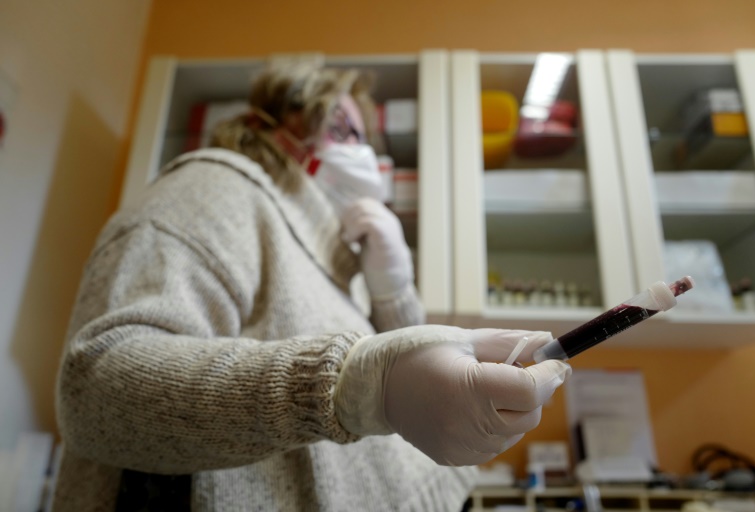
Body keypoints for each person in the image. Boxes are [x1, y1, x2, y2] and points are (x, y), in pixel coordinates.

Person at [52, 62, 571, 511]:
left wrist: (392, 290)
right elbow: (96, 389)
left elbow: (408, 384)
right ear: (277, 131)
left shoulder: (339, 259)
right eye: (341, 130)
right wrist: (354, 386)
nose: (362, 153)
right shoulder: (216, 186)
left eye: (363, 138)